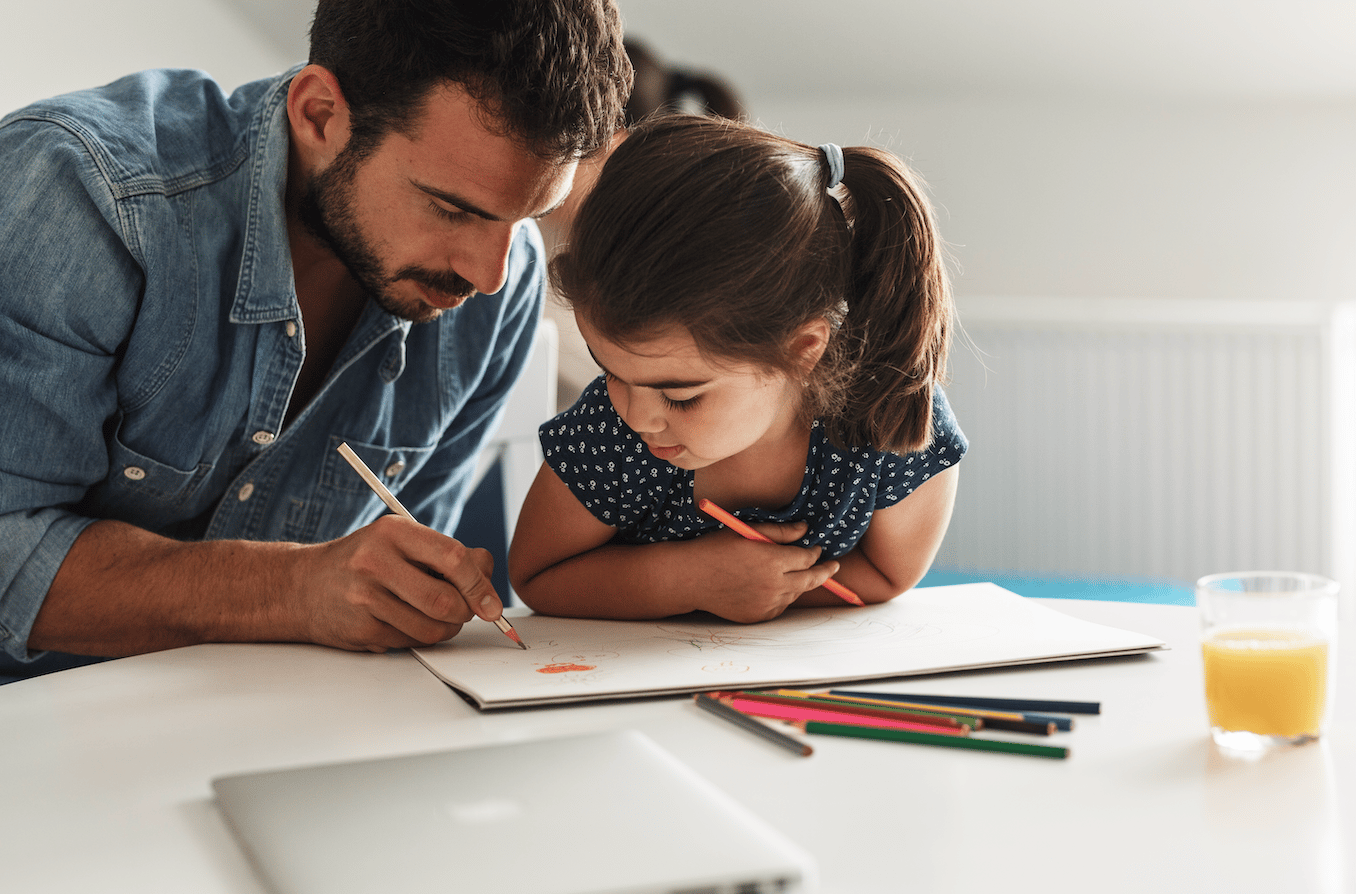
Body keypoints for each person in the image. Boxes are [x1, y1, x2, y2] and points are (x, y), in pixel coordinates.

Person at [0, 0, 632, 676]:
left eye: (527, 217)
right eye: (451, 209)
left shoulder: (501, 291)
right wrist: (290, 590)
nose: (489, 274)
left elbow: (404, 583)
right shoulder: (84, 195)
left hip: (272, 723)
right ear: (320, 115)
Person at [509, 114, 966, 623]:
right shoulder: (610, 433)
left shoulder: (885, 409)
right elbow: (536, 575)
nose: (636, 415)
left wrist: (763, 590)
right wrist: (690, 581)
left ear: (802, 349)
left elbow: (888, 575)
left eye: (680, 396)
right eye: (611, 371)